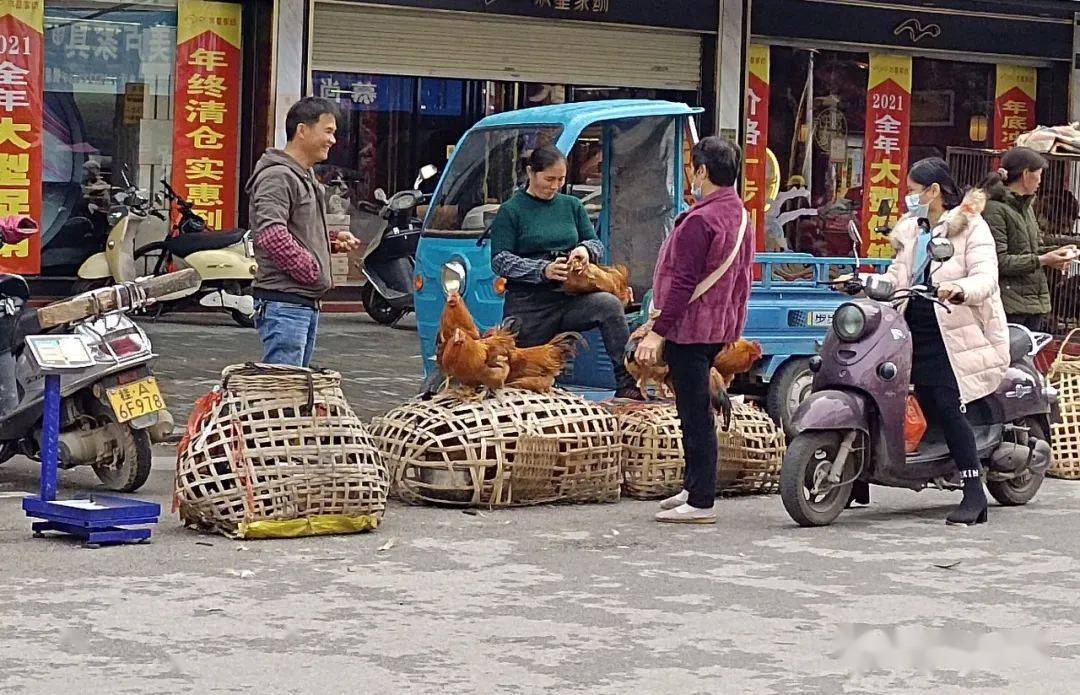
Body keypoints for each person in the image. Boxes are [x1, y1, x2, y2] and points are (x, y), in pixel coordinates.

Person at [634, 136, 754, 524]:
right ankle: (692, 485)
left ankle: (701, 499)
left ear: (703, 172)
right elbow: (741, 281)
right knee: (696, 408)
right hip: (717, 326)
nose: (690, 175)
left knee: (695, 413)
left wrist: (657, 332)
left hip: (690, 329)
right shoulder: (738, 214)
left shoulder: (701, 220)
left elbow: (684, 283)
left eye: (691, 168)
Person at [883, 157, 1010, 525]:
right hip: (912, 324)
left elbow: (986, 278)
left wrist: (958, 289)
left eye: (912, 191)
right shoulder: (911, 228)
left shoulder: (971, 226)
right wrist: (863, 281)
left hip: (955, 329)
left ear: (934, 191)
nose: (909, 199)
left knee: (945, 402)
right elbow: (899, 274)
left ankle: (974, 493)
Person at [489, 145, 642, 399]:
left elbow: (595, 243)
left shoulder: (571, 206)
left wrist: (583, 251)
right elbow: (500, 261)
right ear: (531, 172)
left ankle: (626, 383)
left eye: (561, 179)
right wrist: (542, 270)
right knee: (520, 373)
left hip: (570, 298)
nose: (555, 186)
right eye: (549, 179)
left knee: (609, 305)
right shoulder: (511, 210)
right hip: (529, 306)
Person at [246, 97, 361, 368]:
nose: (333, 140)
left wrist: (330, 241)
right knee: (283, 391)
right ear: (302, 130)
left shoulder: (303, 175)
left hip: (301, 302)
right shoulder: (278, 176)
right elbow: (272, 235)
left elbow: (295, 230)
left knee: (294, 387)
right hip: (285, 303)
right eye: (328, 131)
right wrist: (311, 270)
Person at [981, 146, 1075, 331]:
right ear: (1026, 175)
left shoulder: (1026, 207)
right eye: (1039, 174)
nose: (1040, 181)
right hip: (1010, 304)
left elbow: (1032, 249)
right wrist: (1043, 260)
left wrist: (1055, 254)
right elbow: (1000, 261)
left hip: (1034, 303)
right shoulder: (995, 209)